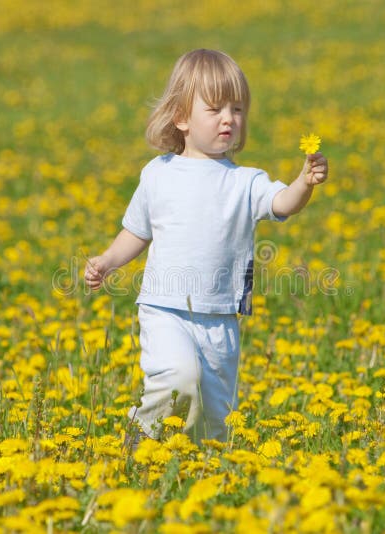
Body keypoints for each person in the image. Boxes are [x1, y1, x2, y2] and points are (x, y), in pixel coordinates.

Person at [84, 49, 328, 444]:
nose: (229, 118)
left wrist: (304, 183)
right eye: (215, 109)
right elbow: (137, 231)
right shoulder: (158, 174)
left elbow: (283, 204)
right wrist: (108, 261)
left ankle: (198, 471)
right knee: (179, 379)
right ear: (181, 117)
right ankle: (140, 441)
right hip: (165, 309)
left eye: (237, 109)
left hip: (220, 317)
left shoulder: (246, 181)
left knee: (215, 419)